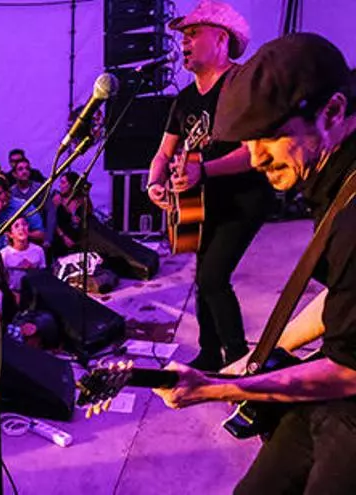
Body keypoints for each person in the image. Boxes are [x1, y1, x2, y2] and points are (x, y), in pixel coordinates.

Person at [152, 33, 356, 494]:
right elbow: (342, 300)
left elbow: (348, 368)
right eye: (249, 140)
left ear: (332, 111)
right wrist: (251, 361)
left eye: (270, 136)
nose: (256, 156)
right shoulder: (334, 175)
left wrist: (214, 389)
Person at [146, 0, 271, 371]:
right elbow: (162, 154)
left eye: (193, 33)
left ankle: (239, 358)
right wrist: (154, 183)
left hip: (244, 199)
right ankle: (209, 352)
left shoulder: (241, 86)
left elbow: (254, 152)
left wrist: (205, 170)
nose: (184, 41)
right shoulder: (184, 99)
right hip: (201, 204)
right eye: (183, 35)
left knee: (213, 276)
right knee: (203, 278)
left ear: (221, 39)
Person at [0, 173, 44, 248]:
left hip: (20, 251)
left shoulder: (22, 206)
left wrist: (21, 233)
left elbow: (40, 235)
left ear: (7, 192)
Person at [1, 217, 46, 293]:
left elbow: (44, 276)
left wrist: (32, 269)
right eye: (16, 226)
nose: (21, 228)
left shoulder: (38, 250)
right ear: (10, 234)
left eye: (24, 224)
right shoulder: (4, 254)